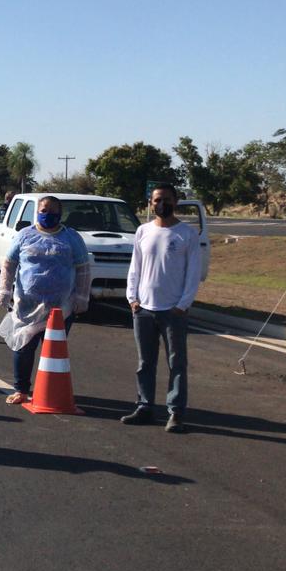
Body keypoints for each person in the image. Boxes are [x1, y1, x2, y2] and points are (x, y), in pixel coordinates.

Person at [0, 196, 90, 405]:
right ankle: (21, 389)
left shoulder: (71, 237)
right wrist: (5, 289)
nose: (48, 215)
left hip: (61, 308)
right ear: (37, 212)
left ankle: (50, 390)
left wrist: (82, 296)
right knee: (23, 346)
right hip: (27, 305)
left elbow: (83, 268)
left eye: (53, 211)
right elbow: (9, 264)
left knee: (53, 350)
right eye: (44, 210)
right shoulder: (24, 235)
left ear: (60, 214)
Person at [122, 184, 201, 433]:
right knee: (145, 362)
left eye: (166, 199)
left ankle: (175, 412)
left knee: (176, 363)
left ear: (176, 202)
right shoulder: (143, 231)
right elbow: (135, 267)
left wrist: (182, 305)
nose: (161, 204)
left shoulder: (187, 234)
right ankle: (144, 406)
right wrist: (132, 299)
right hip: (143, 309)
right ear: (150, 203)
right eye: (157, 200)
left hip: (173, 311)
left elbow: (193, 273)